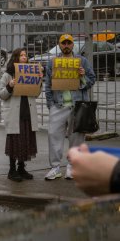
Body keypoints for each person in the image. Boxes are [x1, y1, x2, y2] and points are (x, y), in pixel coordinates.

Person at [44, 34, 96, 180]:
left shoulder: (82, 61)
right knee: (53, 135)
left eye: (69, 43)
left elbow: (91, 80)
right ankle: (55, 168)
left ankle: (72, 167)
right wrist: (51, 105)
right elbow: (48, 85)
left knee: (76, 138)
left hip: (77, 106)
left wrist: (83, 76)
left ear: (73, 45)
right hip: (58, 105)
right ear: (59, 45)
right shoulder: (52, 62)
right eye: (63, 43)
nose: (66, 45)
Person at [0, 48, 41, 182]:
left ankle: (21, 168)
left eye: (25, 55)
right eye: (21, 55)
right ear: (15, 58)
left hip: (27, 112)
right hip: (14, 114)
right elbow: (1, 95)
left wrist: (39, 81)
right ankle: (12, 170)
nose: (24, 57)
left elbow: (36, 94)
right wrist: (10, 86)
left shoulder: (30, 72)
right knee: (15, 142)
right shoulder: (8, 75)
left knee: (25, 141)